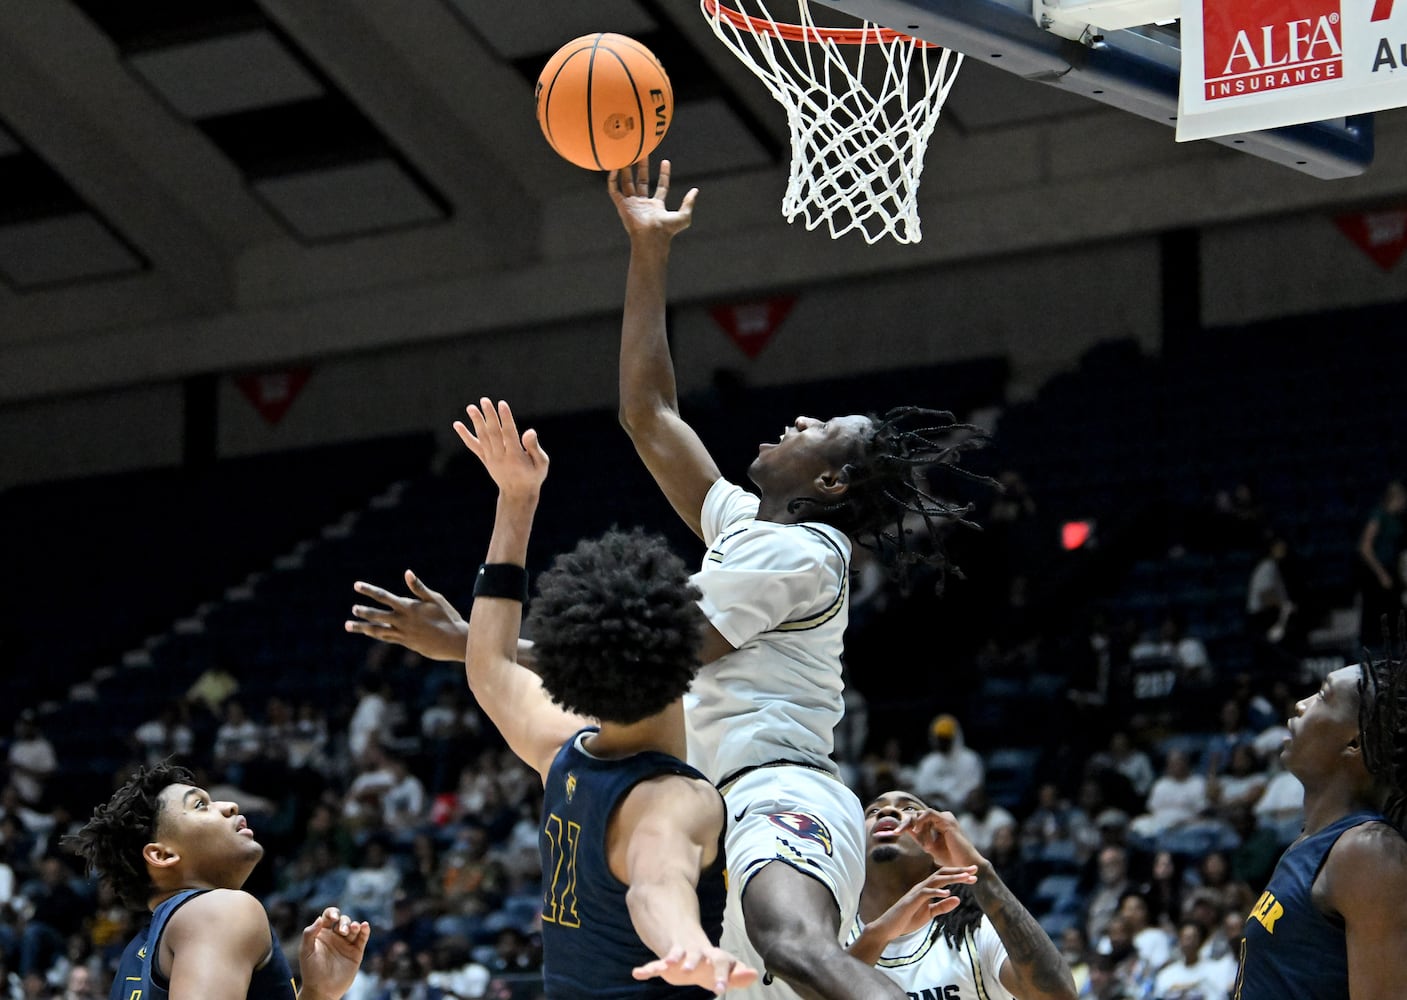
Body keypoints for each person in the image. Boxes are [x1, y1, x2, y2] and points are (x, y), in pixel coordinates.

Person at [608, 158, 997, 1000]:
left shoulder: (800, 552)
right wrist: (648, 250)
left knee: (798, 950)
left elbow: (657, 657)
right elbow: (649, 415)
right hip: (717, 807)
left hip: (776, 791)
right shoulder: (753, 528)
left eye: (819, 427)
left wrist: (477, 643)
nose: (797, 421)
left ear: (830, 484)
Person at [348, 398, 756, 997]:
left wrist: (516, 500)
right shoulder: (674, 799)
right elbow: (655, 884)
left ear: (565, 672)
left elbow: (489, 665)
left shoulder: (561, 750)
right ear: (685, 662)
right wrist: (683, 943)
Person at [63, 760, 371, 1000]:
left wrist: (318, 993)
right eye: (200, 805)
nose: (229, 806)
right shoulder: (221, 911)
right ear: (162, 854)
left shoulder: (134, 956)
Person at [1233, 651, 1407, 999]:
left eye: (1324, 696)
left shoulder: (1368, 851)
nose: (1301, 704)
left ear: (1355, 742)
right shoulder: (1314, 841)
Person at [847, 789, 1077, 1000]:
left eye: (909, 809)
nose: (888, 811)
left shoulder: (974, 929)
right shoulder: (833, 934)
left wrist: (980, 870)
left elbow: (1059, 995)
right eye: (873, 811)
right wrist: (877, 936)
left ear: (936, 850)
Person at [1355, 480, 1405, 648]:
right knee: (1375, 615)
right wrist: (1381, 573)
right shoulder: (1378, 515)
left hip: (1391, 570)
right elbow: (1365, 547)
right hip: (1375, 572)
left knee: (1396, 613)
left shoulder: (1396, 519)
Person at [913, 714, 986, 813]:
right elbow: (922, 789)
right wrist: (938, 796)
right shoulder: (928, 762)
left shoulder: (969, 759)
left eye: (945, 739)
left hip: (964, 813)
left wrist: (950, 798)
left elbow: (973, 787)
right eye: (939, 738)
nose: (942, 742)